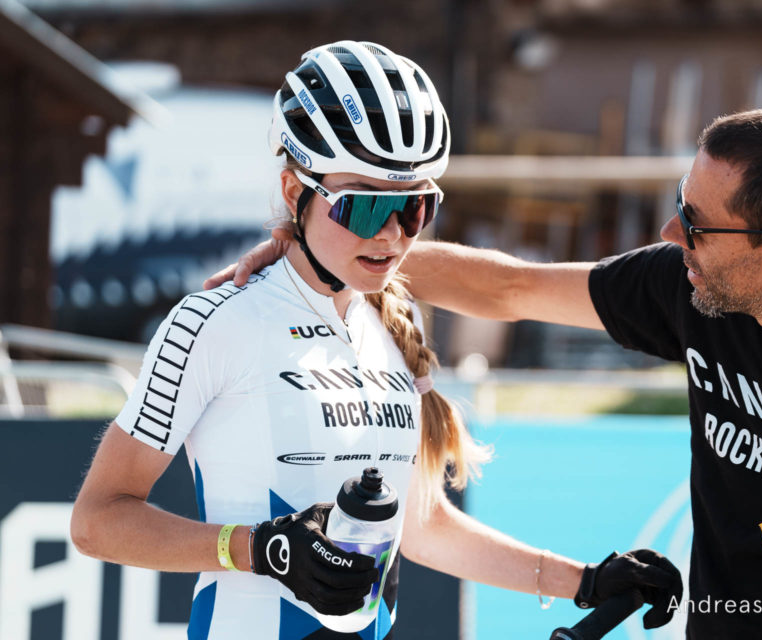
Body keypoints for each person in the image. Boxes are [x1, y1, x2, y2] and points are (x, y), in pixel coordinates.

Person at [215, 104, 762, 639]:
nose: (670, 231)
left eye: (696, 222)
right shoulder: (688, 284)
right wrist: (326, 249)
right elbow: (512, 288)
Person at [71, 40, 683, 640]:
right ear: (294, 193)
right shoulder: (212, 323)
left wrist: (586, 581)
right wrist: (259, 548)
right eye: (364, 209)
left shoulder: (393, 320)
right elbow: (97, 521)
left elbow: (424, 527)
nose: (392, 235)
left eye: (414, 209)